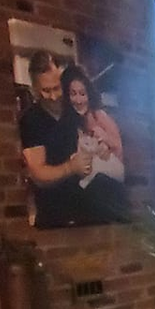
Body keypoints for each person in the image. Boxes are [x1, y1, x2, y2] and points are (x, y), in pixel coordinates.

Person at [16, 51, 90, 227]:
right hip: (54, 219)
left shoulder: (76, 110)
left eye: (57, 88)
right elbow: (38, 174)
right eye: (45, 90)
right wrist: (71, 167)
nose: (53, 96)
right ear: (34, 87)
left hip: (88, 212)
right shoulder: (31, 120)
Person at [60, 64, 128, 223]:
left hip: (109, 180)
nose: (78, 100)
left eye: (82, 94)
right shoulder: (67, 124)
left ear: (89, 95)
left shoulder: (99, 116)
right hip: (84, 187)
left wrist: (104, 139)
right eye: (73, 94)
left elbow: (118, 147)